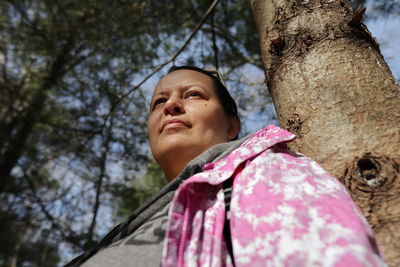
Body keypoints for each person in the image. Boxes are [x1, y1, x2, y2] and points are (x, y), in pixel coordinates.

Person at [66, 66, 385, 266]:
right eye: (158, 102)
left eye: (192, 94)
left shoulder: (269, 173)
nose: (171, 106)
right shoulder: (125, 228)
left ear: (232, 125)